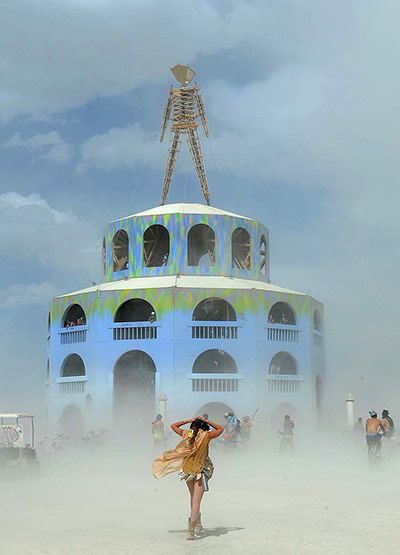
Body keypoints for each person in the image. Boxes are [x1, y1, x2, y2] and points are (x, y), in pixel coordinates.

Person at [153, 416, 223, 540]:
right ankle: (192, 530)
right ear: (203, 427)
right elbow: (220, 429)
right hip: (200, 471)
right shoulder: (206, 436)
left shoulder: (187, 434)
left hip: (187, 471)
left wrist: (188, 421)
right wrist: (206, 421)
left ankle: (197, 525)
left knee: (193, 499)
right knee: (196, 501)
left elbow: (173, 426)